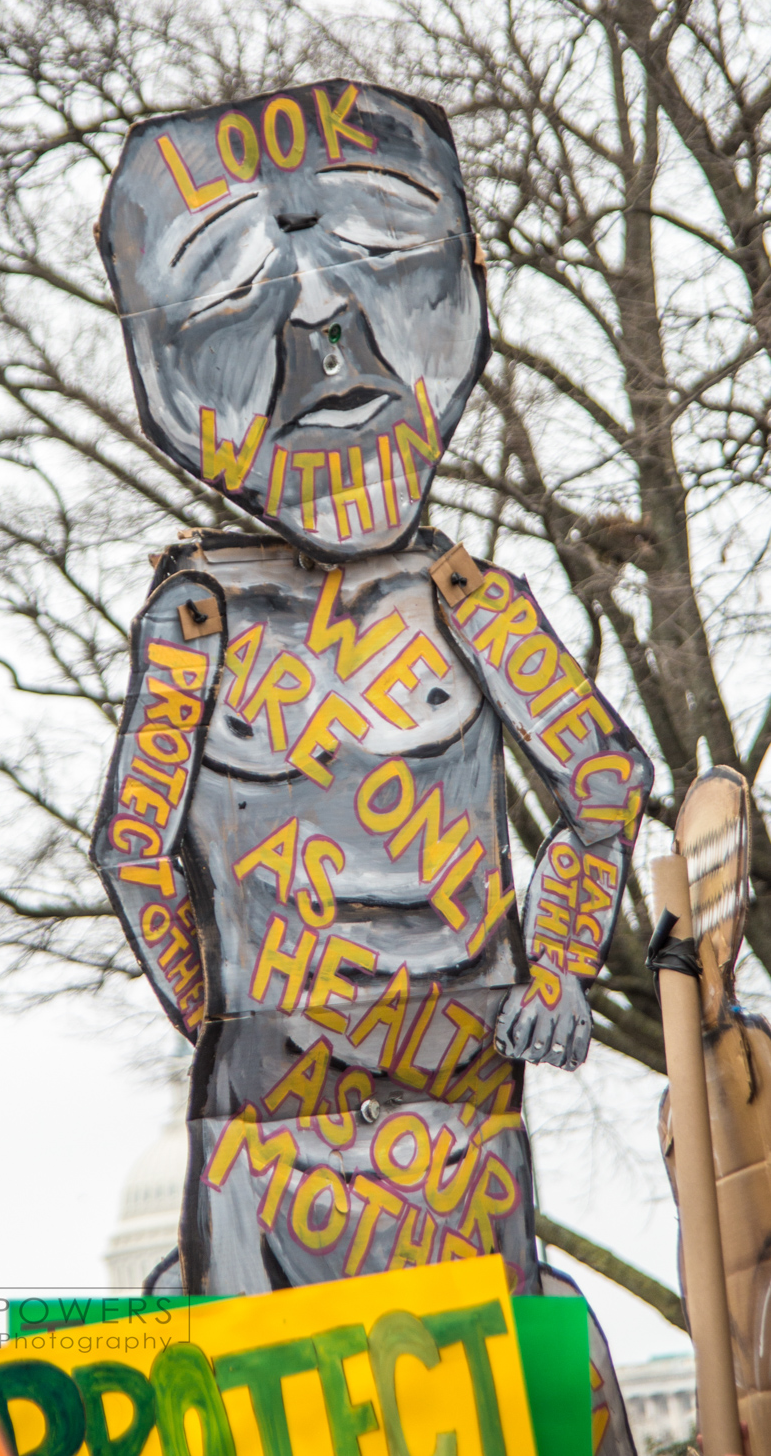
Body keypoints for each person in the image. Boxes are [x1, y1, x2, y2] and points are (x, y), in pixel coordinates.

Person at [91, 81, 652, 1456]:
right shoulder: (206, 614)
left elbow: (604, 781)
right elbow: (132, 845)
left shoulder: (464, 602)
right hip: (300, 1124)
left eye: (384, 250)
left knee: (466, 1394)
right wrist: (228, 1023)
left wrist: (558, 974)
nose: (320, 333)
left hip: (430, 1115)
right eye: (225, 300)